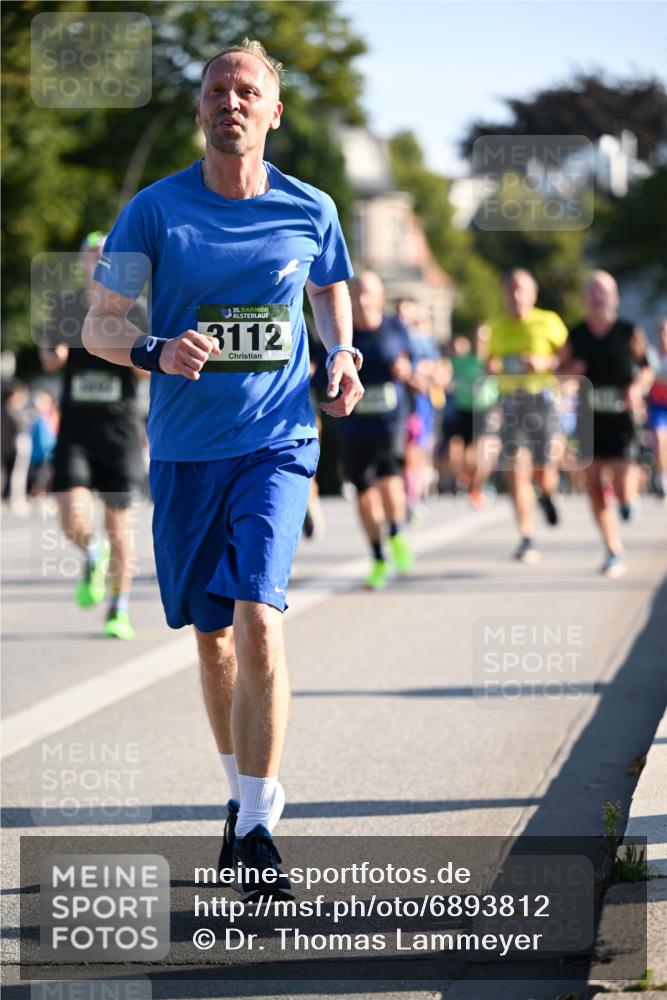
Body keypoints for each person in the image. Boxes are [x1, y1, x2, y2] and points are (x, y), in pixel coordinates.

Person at [82, 39, 363, 900]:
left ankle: (257, 824)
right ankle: (239, 793)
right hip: (184, 451)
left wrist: (341, 352)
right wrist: (156, 349)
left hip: (277, 442)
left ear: (274, 111)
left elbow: (328, 287)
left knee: (259, 618)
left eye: (245, 91)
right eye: (215, 90)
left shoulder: (309, 207)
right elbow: (99, 324)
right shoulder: (154, 210)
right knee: (211, 641)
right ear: (201, 109)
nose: (228, 102)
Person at [39, 232, 148, 639]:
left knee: (119, 525)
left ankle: (119, 609)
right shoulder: (66, 306)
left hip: (120, 431)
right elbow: (49, 359)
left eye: (105, 255)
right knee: (71, 515)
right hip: (77, 430)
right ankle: (90, 549)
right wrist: (54, 352)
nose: (98, 261)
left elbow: (147, 370)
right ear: (82, 262)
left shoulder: (135, 309)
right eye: (91, 255)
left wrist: (133, 351)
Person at [562, 271, 653, 577]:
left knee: (623, 484)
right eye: (592, 292)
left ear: (614, 298)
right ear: (584, 298)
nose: (597, 297)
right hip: (588, 419)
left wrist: (637, 387)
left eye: (603, 292)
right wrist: (570, 373)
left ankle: (628, 499)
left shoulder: (629, 332)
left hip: (622, 418)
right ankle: (613, 549)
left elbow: (646, 369)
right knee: (593, 486)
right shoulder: (576, 335)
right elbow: (559, 373)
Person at [335, 271, 413, 590]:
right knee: (364, 493)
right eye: (356, 293)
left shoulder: (395, 327)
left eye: (369, 293)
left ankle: (395, 532)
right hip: (354, 425)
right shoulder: (342, 333)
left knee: (390, 481)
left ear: (381, 297)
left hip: (390, 421)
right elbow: (323, 370)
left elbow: (411, 363)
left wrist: (405, 370)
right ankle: (379, 557)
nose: (363, 299)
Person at [486, 269, 568, 563]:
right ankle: (527, 536)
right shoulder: (496, 327)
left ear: (533, 294)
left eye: (521, 290)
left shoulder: (549, 322)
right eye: (511, 290)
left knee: (544, 470)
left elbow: (568, 358)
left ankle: (547, 494)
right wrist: (492, 368)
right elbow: (489, 363)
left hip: (541, 401)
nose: (516, 296)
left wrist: (545, 363)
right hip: (511, 404)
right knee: (516, 470)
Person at [441, 328, 499, 509]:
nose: (481, 343)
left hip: (486, 410)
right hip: (464, 409)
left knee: (486, 450)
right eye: (479, 339)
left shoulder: (495, 361)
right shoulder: (463, 361)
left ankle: (476, 487)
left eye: (485, 339)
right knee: (463, 453)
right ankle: (468, 481)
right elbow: (444, 371)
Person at [647, 319, 667, 500]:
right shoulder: (652, 356)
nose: (663, 336)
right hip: (658, 407)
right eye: (661, 332)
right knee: (660, 442)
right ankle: (662, 479)